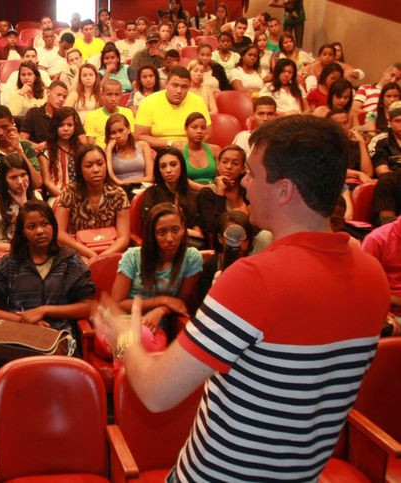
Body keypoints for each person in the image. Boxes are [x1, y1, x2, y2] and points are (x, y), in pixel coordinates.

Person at [94, 115, 389, 482]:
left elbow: (157, 392)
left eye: (251, 172)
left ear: (284, 190)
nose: (243, 181)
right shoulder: (373, 274)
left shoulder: (255, 279)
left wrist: (124, 333)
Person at [0, 199, 95, 388]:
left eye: (45, 224)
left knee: (59, 376)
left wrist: (44, 310)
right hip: (17, 339)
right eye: (31, 226)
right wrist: (22, 320)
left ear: (54, 226)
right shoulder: (10, 264)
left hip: (58, 338)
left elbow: (88, 306)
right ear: (23, 232)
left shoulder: (70, 261)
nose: (40, 231)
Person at [111, 202, 202, 337]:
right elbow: (117, 304)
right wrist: (162, 300)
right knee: (128, 342)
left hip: (157, 329)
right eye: (162, 232)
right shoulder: (132, 256)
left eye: (175, 230)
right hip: (125, 322)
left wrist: (161, 311)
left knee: (147, 340)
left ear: (183, 229)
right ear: (152, 234)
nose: (170, 238)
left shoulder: (192, 258)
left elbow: (180, 304)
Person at [56, 144, 130, 260]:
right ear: (80, 170)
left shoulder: (118, 194)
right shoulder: (69, 193)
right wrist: (90, 254)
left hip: (111, 251)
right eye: (89, 166)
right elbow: (59, 234)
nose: (96, 170)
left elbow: (123, 238)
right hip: (78, 252)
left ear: (106, 166)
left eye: (100, 164)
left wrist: (102, 258)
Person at [0, 153, 42, 269]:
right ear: (4, 180)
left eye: (23, 175)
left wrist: (24, 205)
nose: (20, 181)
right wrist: (15, 248)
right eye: (13, 177)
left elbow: (40, 233)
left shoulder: (36, 196)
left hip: (30, 253)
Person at [135, 66, 211, 148]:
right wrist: (171, 144)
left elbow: (207, 134)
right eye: (175, 85)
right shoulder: (149, 101)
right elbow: (140, 136)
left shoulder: (198, 101)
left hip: (191, 149)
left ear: (189, 87)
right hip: (159, 149)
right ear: (166, 84)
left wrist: (189, 147)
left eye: (184, 87)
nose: (179, 91)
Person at [139, 147, 202, 240]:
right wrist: (189, 232)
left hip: (192, 244)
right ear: (158, 170)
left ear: (182, 166)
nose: (168, 170)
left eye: (173, 164)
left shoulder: (193, 195)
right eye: (163, 166)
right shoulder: (151, 193)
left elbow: (199, 228)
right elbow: (149, 225)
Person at [196, 145, 250, 239]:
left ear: (242, 169)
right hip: (222, 244)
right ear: (218, 165)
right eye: (224, 162)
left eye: (235, 163)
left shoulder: (247, 191)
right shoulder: (207, 193)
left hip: (247, 239)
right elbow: (214, 229)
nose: (228, 167)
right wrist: (220, 192)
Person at [199, 210, 255, 296]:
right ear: (220, 238)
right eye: (232, 237)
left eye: (240, 237)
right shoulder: (211, 264)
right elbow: (204, 297)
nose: (237, 242)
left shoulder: (253, 267)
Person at [21, 80, 86, 149]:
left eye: (64, 97)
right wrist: (38, 146)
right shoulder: (33, 113)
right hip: (39, 154)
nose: (61, 99)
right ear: (48, 92)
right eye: (58, 95)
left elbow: (83, 142)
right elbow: (22, 140)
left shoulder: (70, 113)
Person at [105, 113, 154, 199]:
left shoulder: (142, 146)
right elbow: (108, 177)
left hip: (142, 189)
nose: (118, 136)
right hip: (119, 191)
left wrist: (122, 181)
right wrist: (109, 149)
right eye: (113, 133)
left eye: (121, 130)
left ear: (128, 129)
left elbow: (150, 178)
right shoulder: (108, 152)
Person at [39, 107, 83, 201]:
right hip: (57, 197)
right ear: (55, 126)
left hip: (81, 196)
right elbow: (47, 182)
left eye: (70, 125)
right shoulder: (47, 151)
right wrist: (65, 197)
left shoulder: (81, 150)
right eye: (61, 125)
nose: (66, 129)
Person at [326, 109, 373, 184]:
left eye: (345, 123)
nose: (343, 127)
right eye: (337, 124)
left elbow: (368, 173)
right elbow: (330, 170)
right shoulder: (324, 144)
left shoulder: (355, 142)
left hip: (356, 183)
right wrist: (357, 174)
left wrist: (361, 143)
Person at [176, 112, 221, 190]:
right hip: (189, 191)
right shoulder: (180, 151)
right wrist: (203, 188)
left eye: (203, 128)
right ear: (186, 129)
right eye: (194, 127)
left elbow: (221, 176)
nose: (199, 131)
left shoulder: (215, 150)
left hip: (214, 191)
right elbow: (178, 178)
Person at [86, 79, 135, 149]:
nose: (113, 99)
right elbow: (91, 144)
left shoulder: (128, 113)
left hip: (123, 152)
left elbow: (131, 138)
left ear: (121, 95)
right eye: (109, 94)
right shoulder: (92, 116)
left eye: (117, 94)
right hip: (101, 153)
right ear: (102, 95)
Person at [369, 101, 401, 177]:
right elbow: (382, 172)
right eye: (397, 121)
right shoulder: (379, 141)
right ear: (390, 122)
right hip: (392, 184)